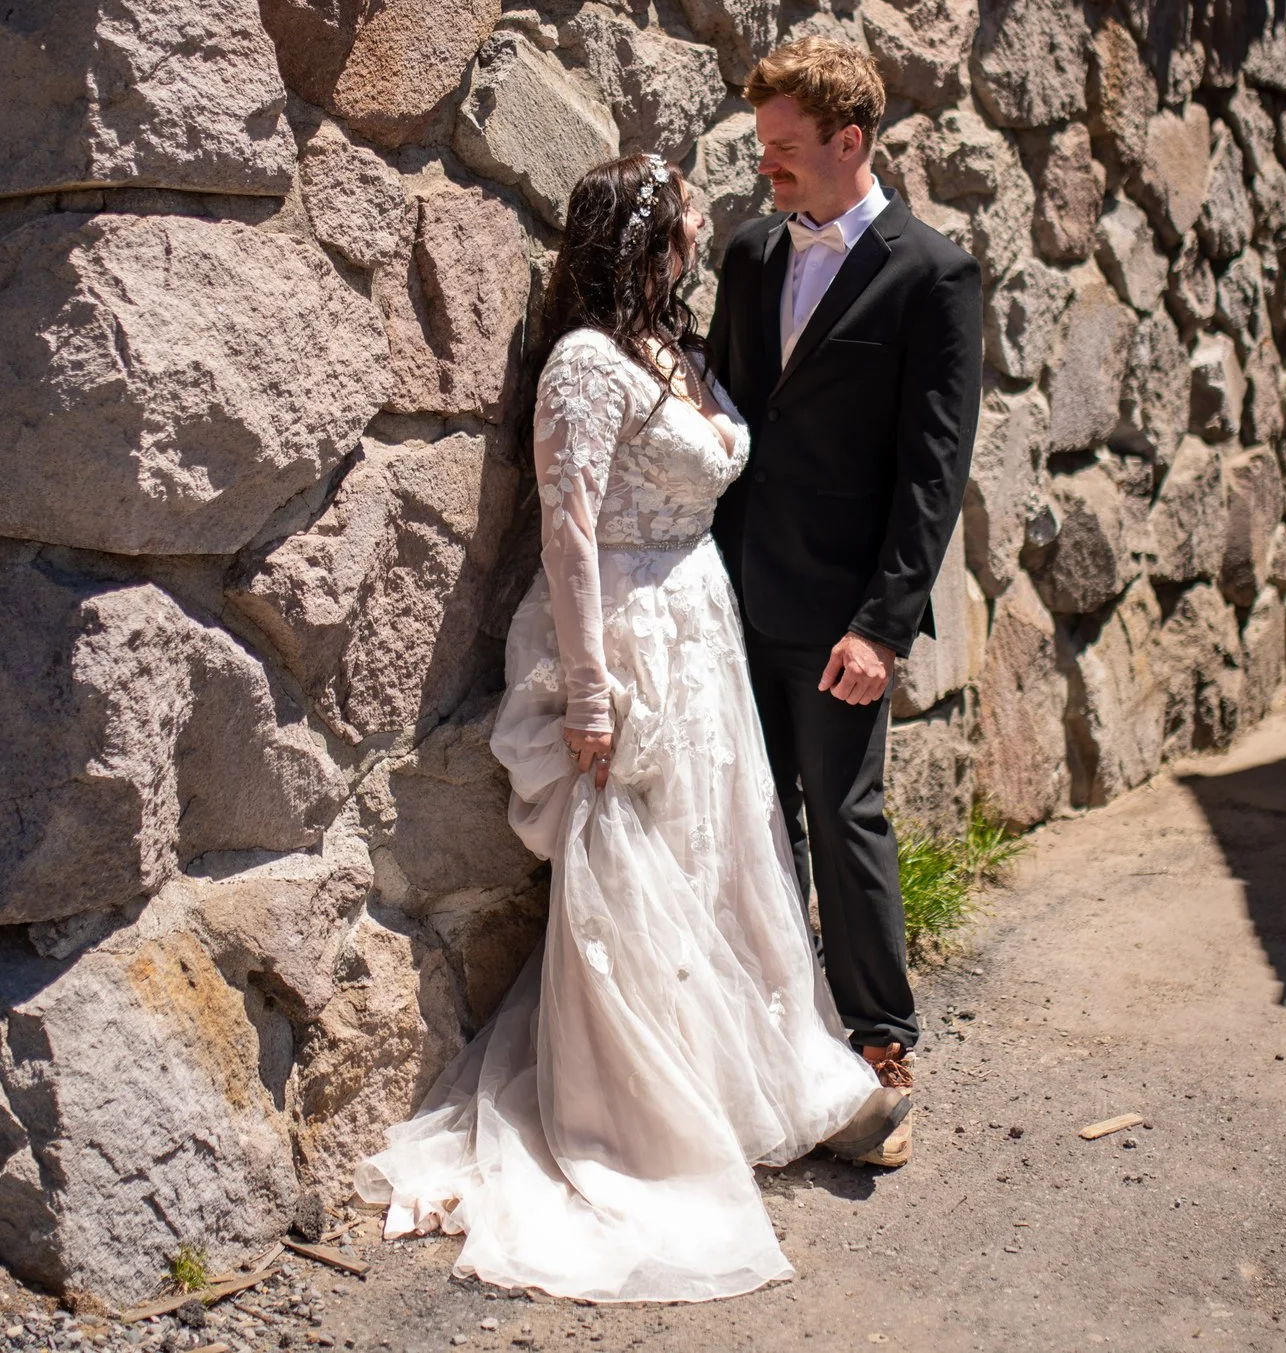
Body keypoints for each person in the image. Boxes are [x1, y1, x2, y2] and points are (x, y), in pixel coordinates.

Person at [353, 153, 912, 1304]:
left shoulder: (678, 355)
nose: (705, 232)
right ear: (645, 236)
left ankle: (735, 1079)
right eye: (687, 219)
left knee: (719, 863)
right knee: (631, 873)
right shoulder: (585, 365)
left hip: (702, 624)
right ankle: (641, 1117)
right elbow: (564, 531)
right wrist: (592, 689)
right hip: (626, 631)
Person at [706, 38, 984, 1169]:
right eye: (762, 144)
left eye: (784, 147)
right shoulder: (749, 253)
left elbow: (934, 469)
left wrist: (881, 622)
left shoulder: (934, 274)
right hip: (730, 589)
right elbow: (724, 408)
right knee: (748, 814)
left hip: (838, 616)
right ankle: (762, 1030)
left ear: (848, 141)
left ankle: (879, 1039)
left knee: (844, 811)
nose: (766, 166)